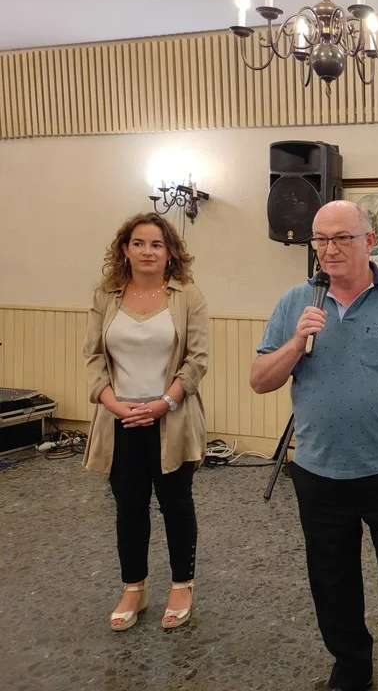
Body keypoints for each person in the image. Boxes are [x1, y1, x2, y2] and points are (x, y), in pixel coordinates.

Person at [250, 200, 378, 691]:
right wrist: (296, 343)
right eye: (321, 239)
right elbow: (260, 380)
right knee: (332, 584)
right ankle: (351, 668)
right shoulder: (296, 303)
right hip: (319, 473)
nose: (330, 249)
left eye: (342, 237)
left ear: (370, 241)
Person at [82, 212, 209, 631]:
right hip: (118, 421)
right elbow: (93, 359)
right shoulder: (106, 295)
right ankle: (134, 588)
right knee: (129, 507)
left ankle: (182, 585)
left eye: (157, 244)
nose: (147, 251)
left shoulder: (188, 296)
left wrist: (164, 403)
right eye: (138, 243)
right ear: (125, 249)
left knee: (176, 504)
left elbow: (197, 360)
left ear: (170, 253)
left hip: (171, 419)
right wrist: (114, 406)